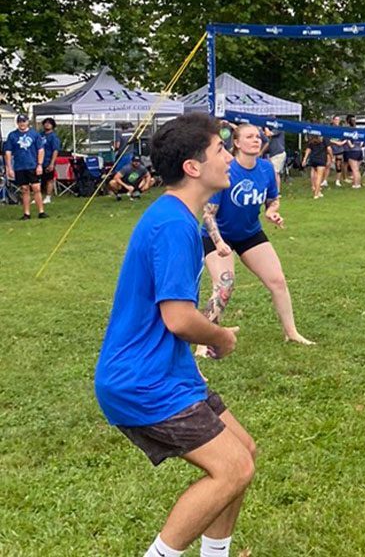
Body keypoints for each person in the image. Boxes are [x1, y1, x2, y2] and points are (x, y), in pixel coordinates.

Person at [94, 113, 255, 557]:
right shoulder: (172, 224)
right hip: (140, 381)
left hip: (168, 373)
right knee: (232, 469)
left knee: (243, 453)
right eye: (221, 150)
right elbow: (179, 319)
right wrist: (220, 337)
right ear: (193, 167)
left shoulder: (181, 216)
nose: (229, 156)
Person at [200, 122, 314, 348]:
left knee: (278, 281)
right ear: (237, 143)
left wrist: (272, 212)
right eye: (250, 136)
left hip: (249, 233)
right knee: (225, 284)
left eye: (258, 137)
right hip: (218, 234)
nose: (256, 140)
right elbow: (207, 214)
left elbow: (272, 198)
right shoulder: (226, 170)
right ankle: (204, 343)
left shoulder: (266, 168)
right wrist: (220, 242)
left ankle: (291, 333)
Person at [4, 113, 45, 220]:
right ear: (17, 123)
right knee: (24, 188)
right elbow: (8, 152)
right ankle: (26, 213)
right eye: (20, 122)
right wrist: (9, 167)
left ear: (27, 122)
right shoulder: (12, 136)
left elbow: (40, 150)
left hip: (32, 165)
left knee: (36, 187)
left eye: (24, 121)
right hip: (19, 166)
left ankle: (41, 211)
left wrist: (39, 165)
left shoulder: (34, 134)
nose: (22, 124)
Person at [39, 117, 61, 205]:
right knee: (38, 180)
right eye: (46, 123)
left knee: (49, 179)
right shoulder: (40, 135)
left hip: (48, 160)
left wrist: (52, 163)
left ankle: (48, 197)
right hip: (39, 161)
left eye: (49, 123)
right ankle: (38, 196)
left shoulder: (54, 137)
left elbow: (55, 150)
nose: (47, 124)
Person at [300, 133, 329, 198]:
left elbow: (308, 150)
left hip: (313, 159)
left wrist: (304, 159)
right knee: (319, 177)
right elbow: (329, 149)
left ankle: (316, 189)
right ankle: (316, 193)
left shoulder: (312, 141)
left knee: (315, 175)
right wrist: (331, 157)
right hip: (321, 159)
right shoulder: (324, 139)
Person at [343, 115, 365, 188]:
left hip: (353, 151)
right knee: (357, 169)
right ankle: (357, 183)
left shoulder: (348, 130)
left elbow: (348, 140)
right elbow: (362, 140)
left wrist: (350, 145)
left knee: (354, 170)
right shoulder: (358, 130)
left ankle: (356, 184)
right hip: (359, 151)